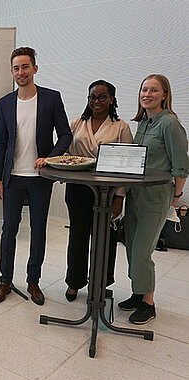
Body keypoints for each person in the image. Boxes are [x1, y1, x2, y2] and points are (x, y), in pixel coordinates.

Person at [0, 47, 72, 306]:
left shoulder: (51, 98)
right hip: (12, 178)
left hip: (40, 178)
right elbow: (1, 143)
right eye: (16, 68)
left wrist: (50, 158)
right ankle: (5, 280)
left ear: (34, 69)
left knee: (38, 230)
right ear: (12, 72)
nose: (20, 72)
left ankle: (33, 280)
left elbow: (66, 135)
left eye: (25, 67)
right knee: (8, 231)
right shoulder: (5, 103)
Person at [119, 74, 189, 324]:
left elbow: (181, 166)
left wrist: (177, 195)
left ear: (165, 95)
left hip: (157, 197)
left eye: (153, 90)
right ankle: (138, 294)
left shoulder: (170, 124)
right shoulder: (144, 123)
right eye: (143, 90)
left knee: (141, 252)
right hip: (136, 195)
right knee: (131, 248)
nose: (147, 94)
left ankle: (149, 304)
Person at [64, 80, 133, 302]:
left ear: (111, 99)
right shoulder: (77, 124)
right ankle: (74, 282)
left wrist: (120, 197)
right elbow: (65, 152)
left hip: (108, 192)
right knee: (78, 237)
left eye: (102, 97)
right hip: (78, 190)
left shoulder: (121, 127)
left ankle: (100, 283)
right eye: (92, 97)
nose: (96, 102)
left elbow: (127, 167)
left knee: (105, 239)